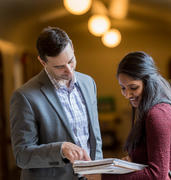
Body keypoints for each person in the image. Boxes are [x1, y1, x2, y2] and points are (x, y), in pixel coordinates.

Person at [10, 26, 103, 180]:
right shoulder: (24, 96)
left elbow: (95, 138)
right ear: (42, 61)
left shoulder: (88, 83)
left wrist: (98, 171)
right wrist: (60, 149)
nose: (69, 70)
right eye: (59, 67)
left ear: (72, 47)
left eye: (71, 60)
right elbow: (22, 156)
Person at [101, 51, 171, 179]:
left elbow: (157, 175)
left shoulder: (158, 115)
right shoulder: (163, 108)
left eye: (133, 87)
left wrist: (103, 177)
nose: (127, 94)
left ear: (149, 82)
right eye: (123, 88)